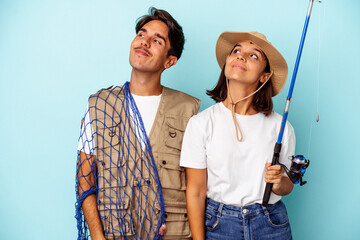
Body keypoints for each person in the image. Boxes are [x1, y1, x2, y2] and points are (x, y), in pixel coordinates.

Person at [76, 7, 200, 240]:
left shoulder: (188, 110)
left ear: (170, 61)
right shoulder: (99, 105)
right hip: (114, 234)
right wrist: (97, 237)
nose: (144, 42)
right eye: (142, 34)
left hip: (172, 234)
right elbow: (85, 180)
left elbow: (198, 189)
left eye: (157, 40)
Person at [180, 31, 295, 240]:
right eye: (236, 51)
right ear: (227, 63)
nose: (241, 56)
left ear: (265, 76)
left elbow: (287, 186)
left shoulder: (281, 126)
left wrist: (279, 182)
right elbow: (196, 192)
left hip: (270, 223)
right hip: (219, 225)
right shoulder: (201, 124)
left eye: (254, 55)